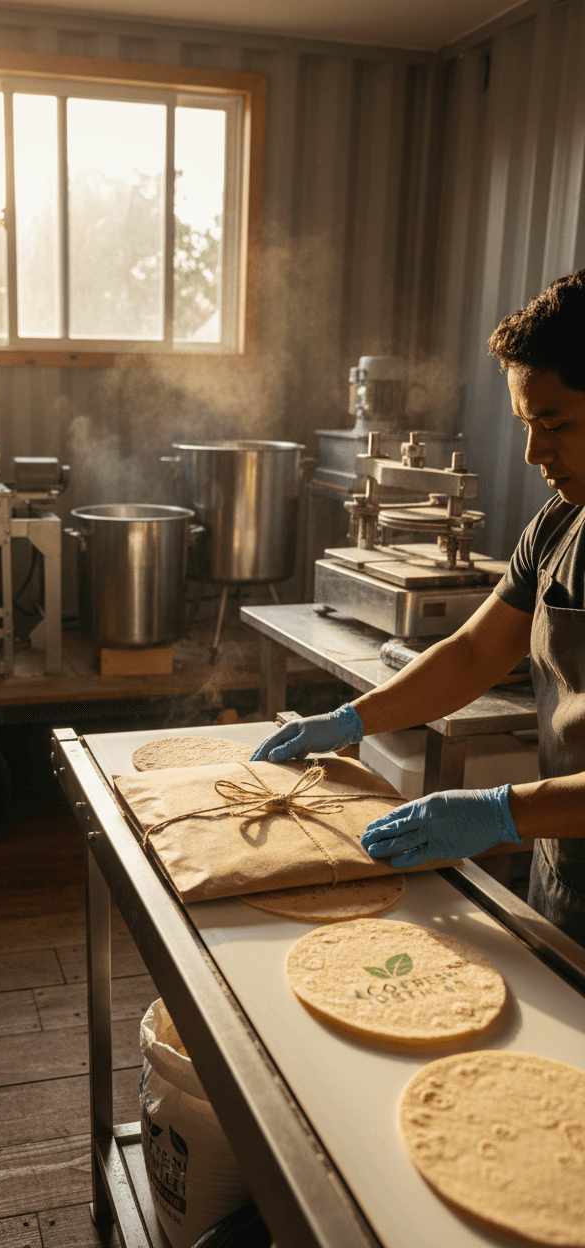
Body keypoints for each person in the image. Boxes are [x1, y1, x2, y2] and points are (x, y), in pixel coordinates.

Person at [251, 269, 585, 947]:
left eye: (553, 424)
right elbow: (471, 654)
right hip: (566, 868)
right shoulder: (559, 526)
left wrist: (499, 810)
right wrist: (350, 720)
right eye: (526, 424)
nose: (532, 452)